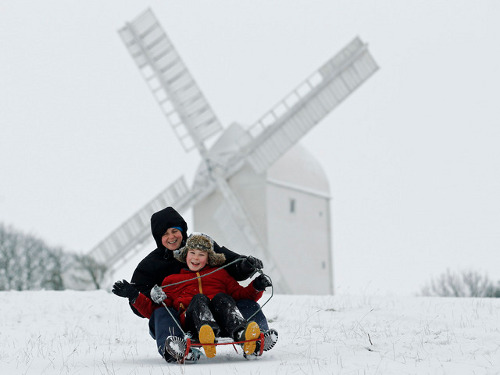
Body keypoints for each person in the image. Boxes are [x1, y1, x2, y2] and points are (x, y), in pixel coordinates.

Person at [111, 206, 278, 363]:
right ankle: (175, 349)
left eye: (175, 231)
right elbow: (146, 302)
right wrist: (139, 295)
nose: (171, 237)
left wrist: (246, 267)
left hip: (222, 312)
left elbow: (231, 263)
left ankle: (257, 338)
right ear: (158, 238)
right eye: (165, 234)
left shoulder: (202, 245)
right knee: (163, 312)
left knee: (243, 302)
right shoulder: (155, 268)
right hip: (185, 318)